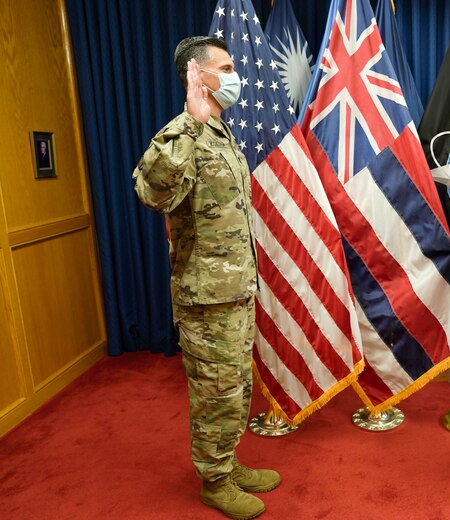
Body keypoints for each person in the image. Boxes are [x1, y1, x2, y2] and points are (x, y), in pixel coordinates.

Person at [133, 36, 279, 520]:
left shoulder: (220, 133)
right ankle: (214, 481)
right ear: (199, 75)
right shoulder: (185, 134)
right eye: (229, 66)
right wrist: (190, 122)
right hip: (205, 298)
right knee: (215, 390)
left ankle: (228, 463)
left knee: (235, 387)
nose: (237, 74)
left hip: (234, 291)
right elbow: (152, 193)